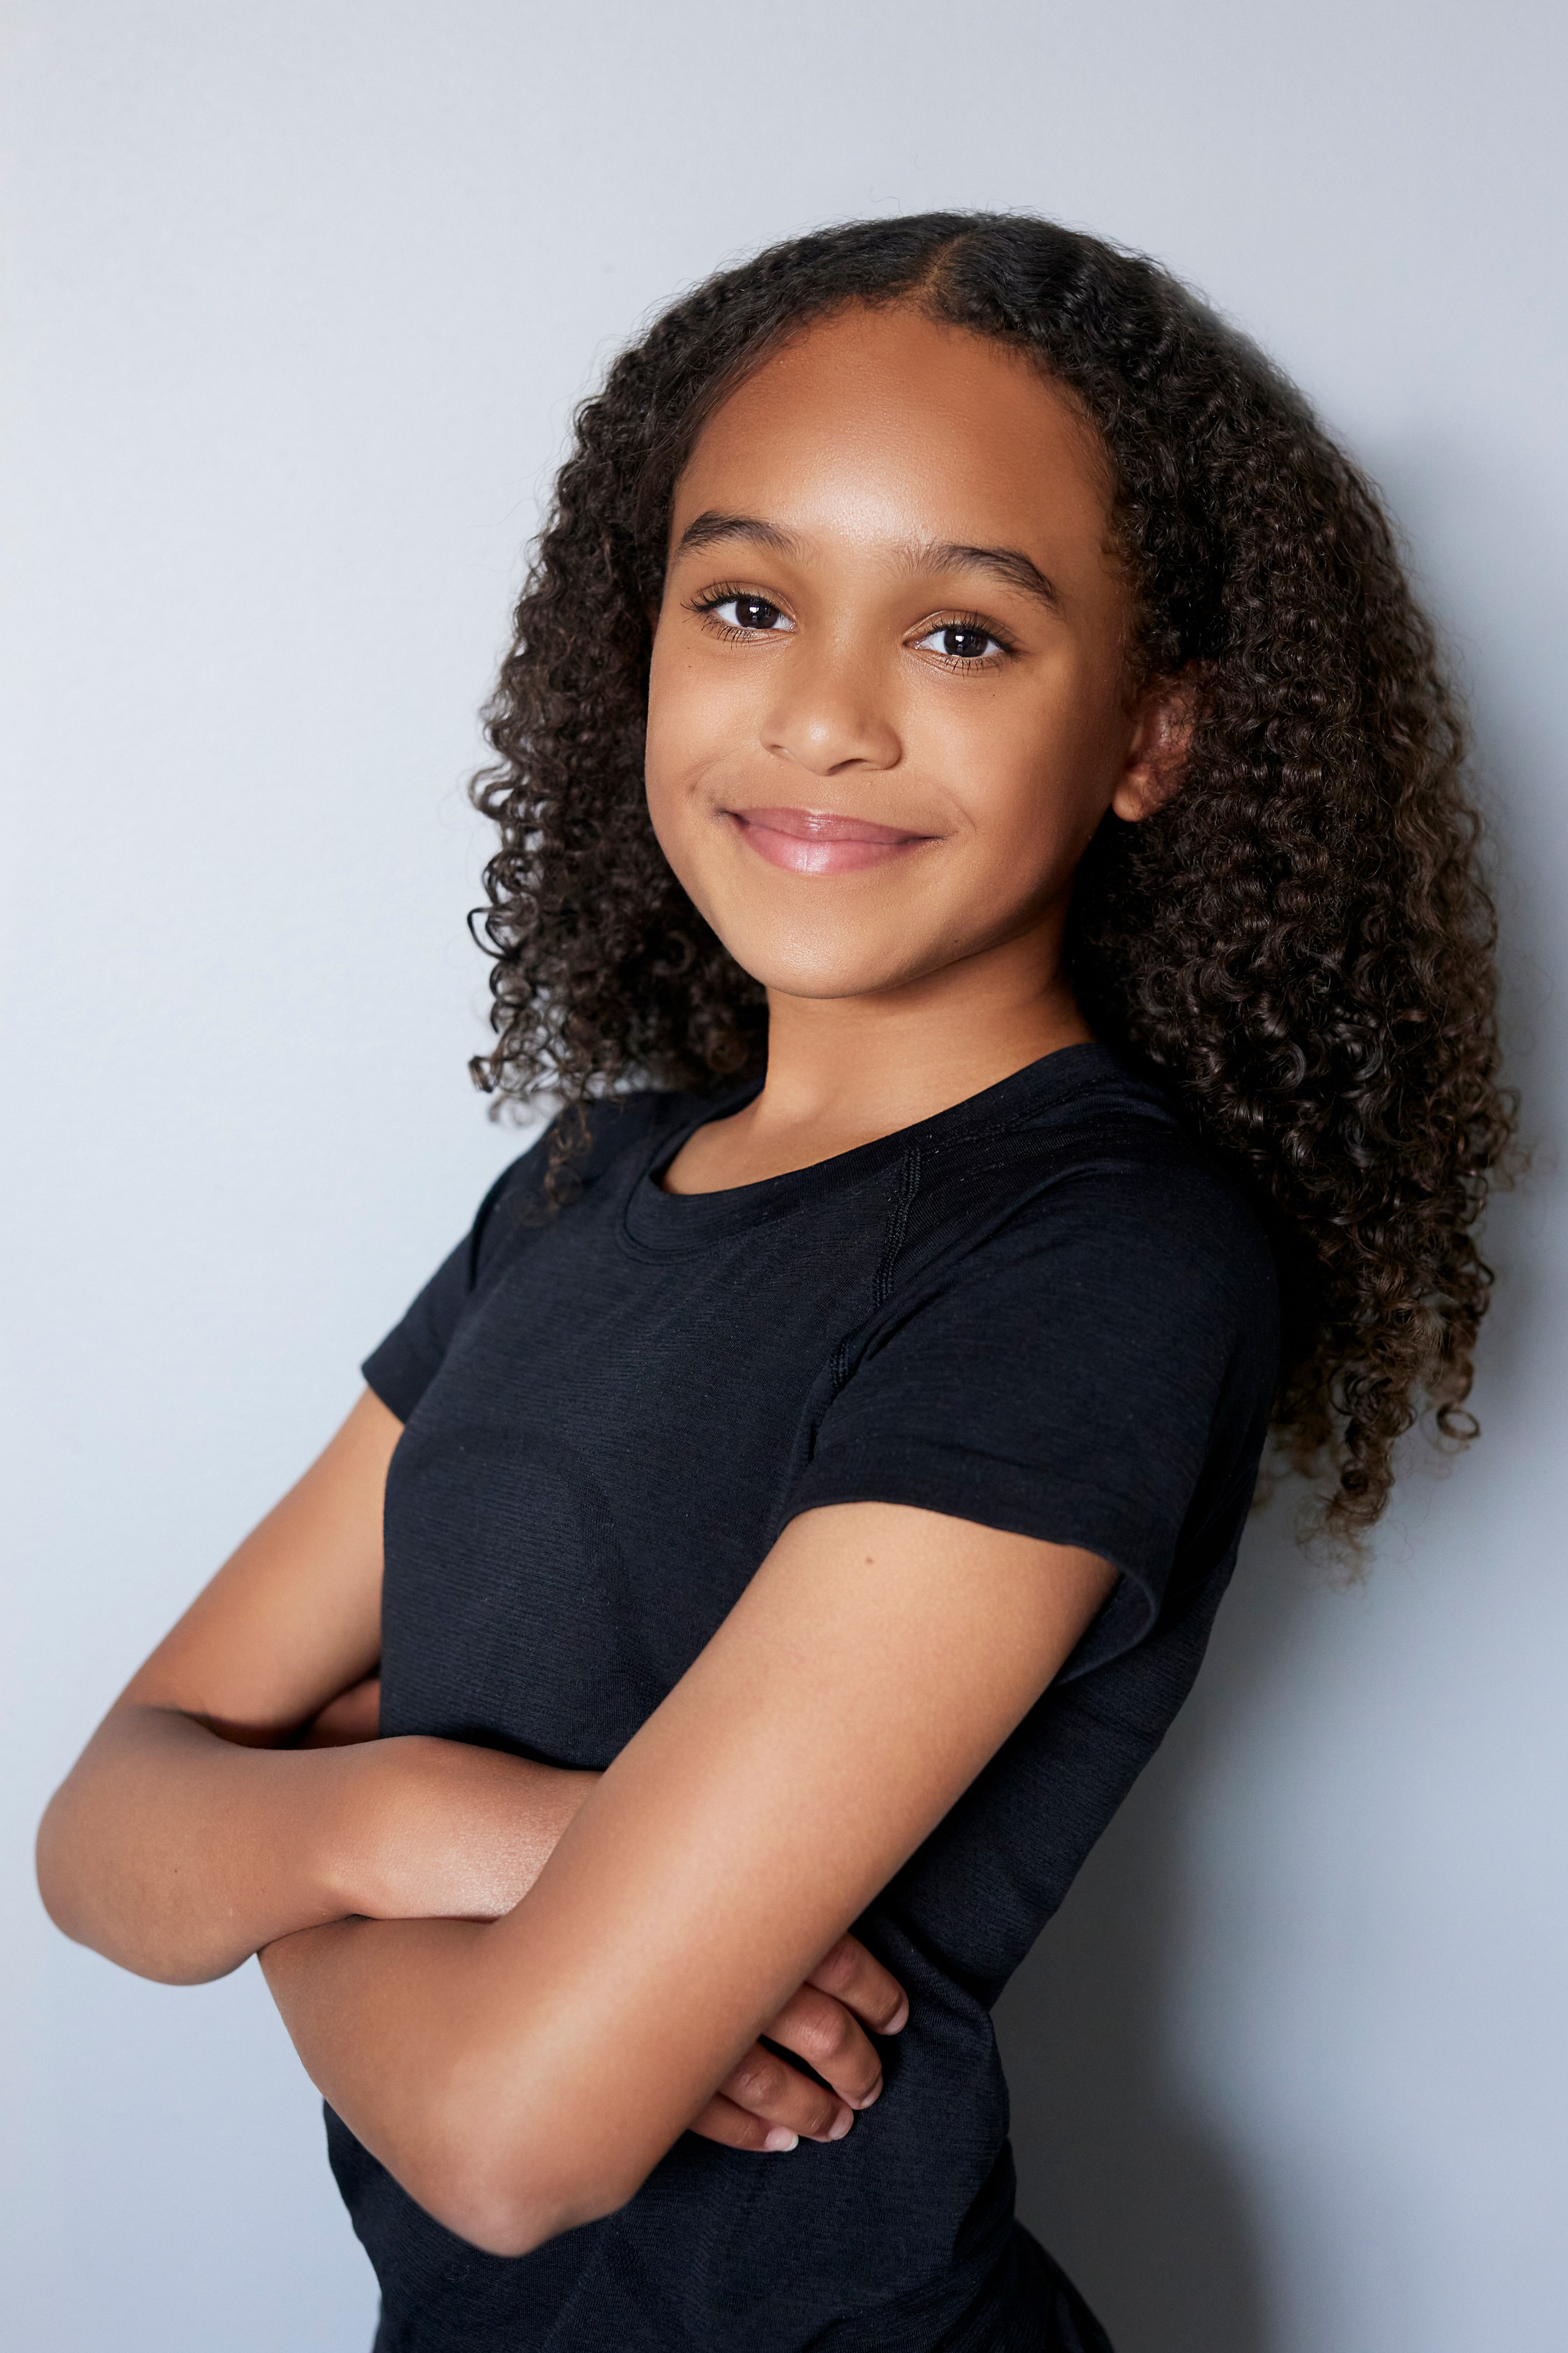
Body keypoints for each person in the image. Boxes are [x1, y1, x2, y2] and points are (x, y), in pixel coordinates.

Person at [36, 213, 1512, 2352]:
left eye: (967, 638)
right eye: (747, 601)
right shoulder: (581, 1190)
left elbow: (514, 2136)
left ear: (1153, 738)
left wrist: (286, 1852)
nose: (820, 717)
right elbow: (97, 1832)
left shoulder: (1097, 1257)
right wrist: (456, 1821)